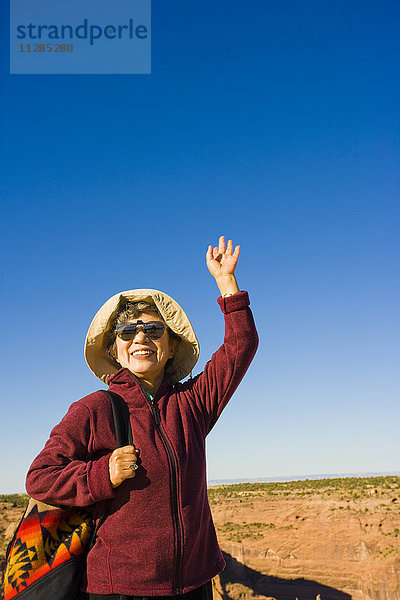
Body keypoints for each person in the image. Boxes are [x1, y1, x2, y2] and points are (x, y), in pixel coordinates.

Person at [26, 236, 258, 600]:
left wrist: (227, 282)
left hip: (195, 584)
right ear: (115, 349)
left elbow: (239, 347)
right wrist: (102, 474)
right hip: (120, 588)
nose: (141, 338)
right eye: (128, 331)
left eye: (153, 329)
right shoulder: (93, 409)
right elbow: (40, 478)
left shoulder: (192, 403)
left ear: (171, 345)